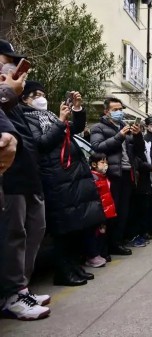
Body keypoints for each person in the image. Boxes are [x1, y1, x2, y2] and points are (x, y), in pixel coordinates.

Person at [21, 82, 105, 286]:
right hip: (54, 176)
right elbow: (42, 143)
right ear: (24, 99)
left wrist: (76, 109)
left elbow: (73, 129)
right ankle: (63, 272)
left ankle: (74, 267)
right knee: (62, 228)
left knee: (76, 225)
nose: (41, 98)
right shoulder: (25, 118)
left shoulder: (48, 115)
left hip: (70, 174)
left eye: (42, 93)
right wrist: (60, 120)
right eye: (35, 95)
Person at [0, 41, 51, 321]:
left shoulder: (16, 101)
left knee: (35, 230)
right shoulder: (8, 97)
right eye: (5, 64)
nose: (11, 70)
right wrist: (10, 92)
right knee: (13, 236)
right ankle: (12, 294)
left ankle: (22, 288)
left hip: (31, 177)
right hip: (11, 178)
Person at [90, 97, 145, 256]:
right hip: (111, 175)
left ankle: (117, 243)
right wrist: (119, 136)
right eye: (115, 110)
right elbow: (97, 148)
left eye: (120, 109)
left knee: (123, 211)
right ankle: (104, 247)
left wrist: (137, 136)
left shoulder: (124, 127)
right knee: (109, 213)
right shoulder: (98, 128)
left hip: (127, 174)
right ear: (106, 112)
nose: (119, 112)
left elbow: (138, 151)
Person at [88, 153, 117, 266]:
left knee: (103, 233)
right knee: (98, 233)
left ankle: (103, 253)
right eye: (102, 162)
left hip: (107, 211)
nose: (105, 165)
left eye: (106, 162)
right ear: (94, 164)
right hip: (100, 212)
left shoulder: (104, 178)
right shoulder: (94, 178)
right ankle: (97, 254)